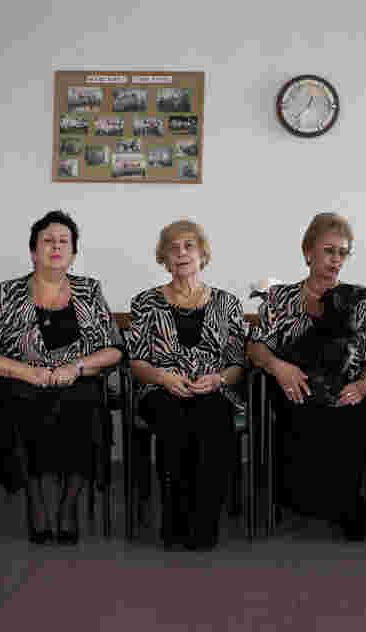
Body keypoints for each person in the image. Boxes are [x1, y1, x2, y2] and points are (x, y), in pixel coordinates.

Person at [0, 211, 123, 545]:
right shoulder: (8, 293)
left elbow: (114, 349)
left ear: (74, 253)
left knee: (86, 407)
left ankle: (68, 505)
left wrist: (74, 368)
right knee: (20, 408)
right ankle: (36, 502)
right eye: (47, 240)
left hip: (76, 381)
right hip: (21, 382)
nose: (56, 247)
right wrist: (26, 372)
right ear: (33, 251)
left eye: (64, 241)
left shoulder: (90, 291)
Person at [248, 212, 366, 540]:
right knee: (299, 411)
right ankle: (306, 502)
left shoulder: (361, 298)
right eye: (329, 250)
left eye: (342, 252)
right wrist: (278, 367)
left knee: (356, 416)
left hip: (348, 386)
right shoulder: (279, 297)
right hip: (293, 384)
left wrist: (363, 384)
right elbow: (256, 346)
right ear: (308, 251)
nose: (336, 259)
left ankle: (346, 505)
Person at [127, 219, 245, 551]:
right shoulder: (145, 302)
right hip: (160, 390)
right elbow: (136, 362)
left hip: (212, 389)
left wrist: (218, 379)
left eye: (189, 246)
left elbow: (238, 363)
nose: (181, 253)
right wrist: (163, 377)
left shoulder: (228, 304)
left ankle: (203, 527)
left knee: (213, 421)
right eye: (173, 248)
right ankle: (175, 525)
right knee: (174, 424)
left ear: (202, 253)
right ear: (163, 258)